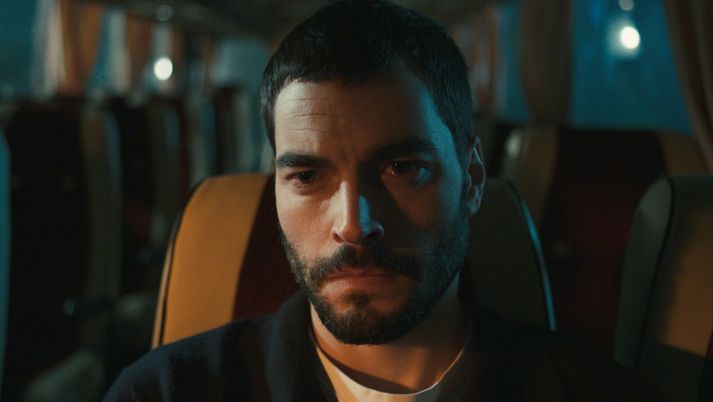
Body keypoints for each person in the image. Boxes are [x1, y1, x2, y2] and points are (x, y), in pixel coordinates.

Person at [105, 1, 660, 400]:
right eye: (307, 176)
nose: (353, 224)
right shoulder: (165, 391)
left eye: (402, 169)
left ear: (471, 180)